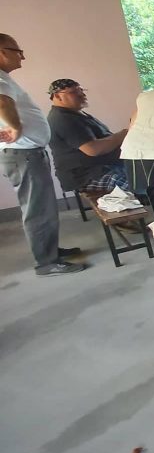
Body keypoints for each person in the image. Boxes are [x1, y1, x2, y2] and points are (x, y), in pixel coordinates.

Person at [0, 34, 84, 276]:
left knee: (43, 207)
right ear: (2, 52)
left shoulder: (5, 78)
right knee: (38, 209)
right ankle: (47, 263)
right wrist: (15, 127)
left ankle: (50, 251)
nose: (22, 56)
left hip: (28, 153)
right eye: (17, 51)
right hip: (23, 154)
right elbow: (3, 103)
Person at [46, 79, 129, 194]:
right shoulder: (62, 119)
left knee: (148, 176)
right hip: (87, 176)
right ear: (57, 96)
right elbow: (93, 149)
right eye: (74, 92)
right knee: (139, 186)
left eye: (81, 90)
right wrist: (124, 133)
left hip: (106, 167)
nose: (82, 94)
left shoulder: (76, 114)